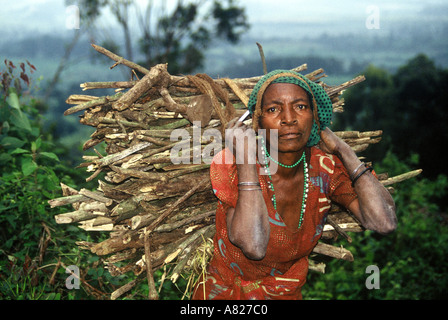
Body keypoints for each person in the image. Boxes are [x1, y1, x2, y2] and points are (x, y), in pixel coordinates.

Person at [192, 70, 397, 300]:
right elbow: (254, 246)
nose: (289, 118)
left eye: (300, 107)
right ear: (257, 122)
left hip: (285, 294)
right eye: (273, 109)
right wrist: (246, 161)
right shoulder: (233, 166)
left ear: (314, 116)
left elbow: (385, 222)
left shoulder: (324, 169)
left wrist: (343, 150)